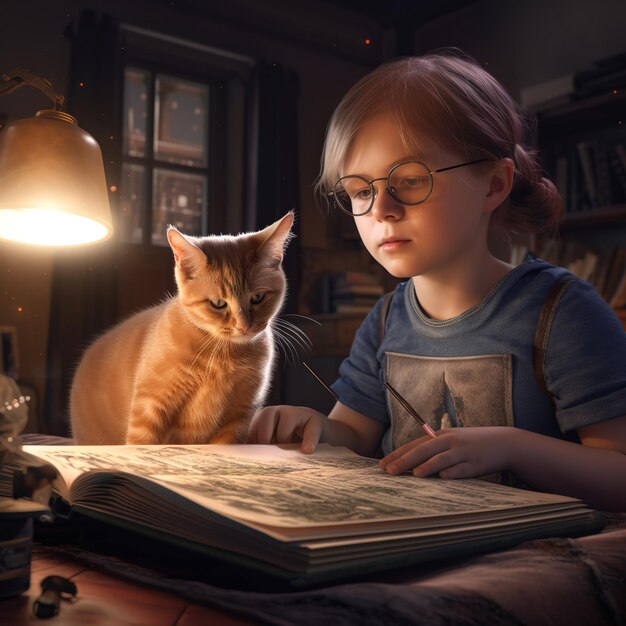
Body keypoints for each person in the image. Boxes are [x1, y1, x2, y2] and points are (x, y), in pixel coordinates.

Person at [247, 48, 626, 511]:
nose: (382, 210)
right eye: (361, 190)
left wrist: (513, 447)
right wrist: (314, 427)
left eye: (409, 180)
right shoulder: (386, 320)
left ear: (493, 185)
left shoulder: (563, 311)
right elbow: (355, 437)